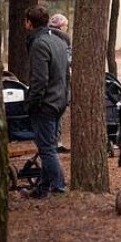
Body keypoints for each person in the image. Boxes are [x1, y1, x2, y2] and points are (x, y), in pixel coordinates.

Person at [22, 5, 70, 198]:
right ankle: (42, 188)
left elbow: (39, 80)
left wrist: (32, 103)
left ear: (29, 23)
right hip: (59, 101)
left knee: (46, 148)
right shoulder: (57, 41)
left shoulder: (39, 44)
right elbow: (66, 75)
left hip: (47, 104)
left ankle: (58, 186)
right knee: (48, 145)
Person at [49, 13, 71, 153]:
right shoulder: (62, 40)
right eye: (66, 26)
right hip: (59, 82)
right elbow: (68, 59)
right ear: (61, 26)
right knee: (57, 113)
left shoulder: (49, 37)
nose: (67, 28)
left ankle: (56, 141)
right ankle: (54, 142)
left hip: (55, 81)